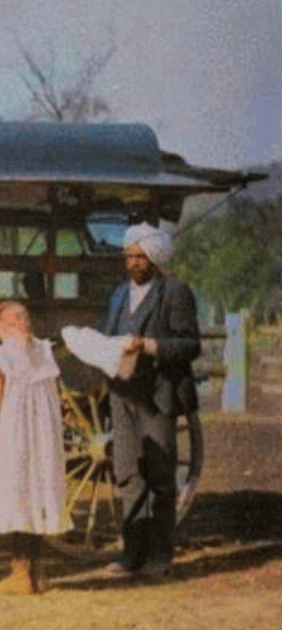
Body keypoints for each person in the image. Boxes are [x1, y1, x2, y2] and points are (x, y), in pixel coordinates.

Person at [100, 223, 200, 579]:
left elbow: (190, 344)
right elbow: (108, 339)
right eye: (129, 256)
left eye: (140, 256)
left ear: (155, 258)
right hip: (122, 394)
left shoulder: (174, 292)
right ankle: (132, 554)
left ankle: (160, 555)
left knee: (159, 476)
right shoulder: (118, 295)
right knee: (128, 474)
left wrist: (150, 346)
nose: (133, 262)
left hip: (158, 394)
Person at [0, 301, 67, 595]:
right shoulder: (44, 351)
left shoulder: (0, 355)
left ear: (4, 327)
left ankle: (20, 574)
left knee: (16, 496)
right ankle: (37, 573)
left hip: (13, 435)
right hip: (41, 437)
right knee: (36, 495)